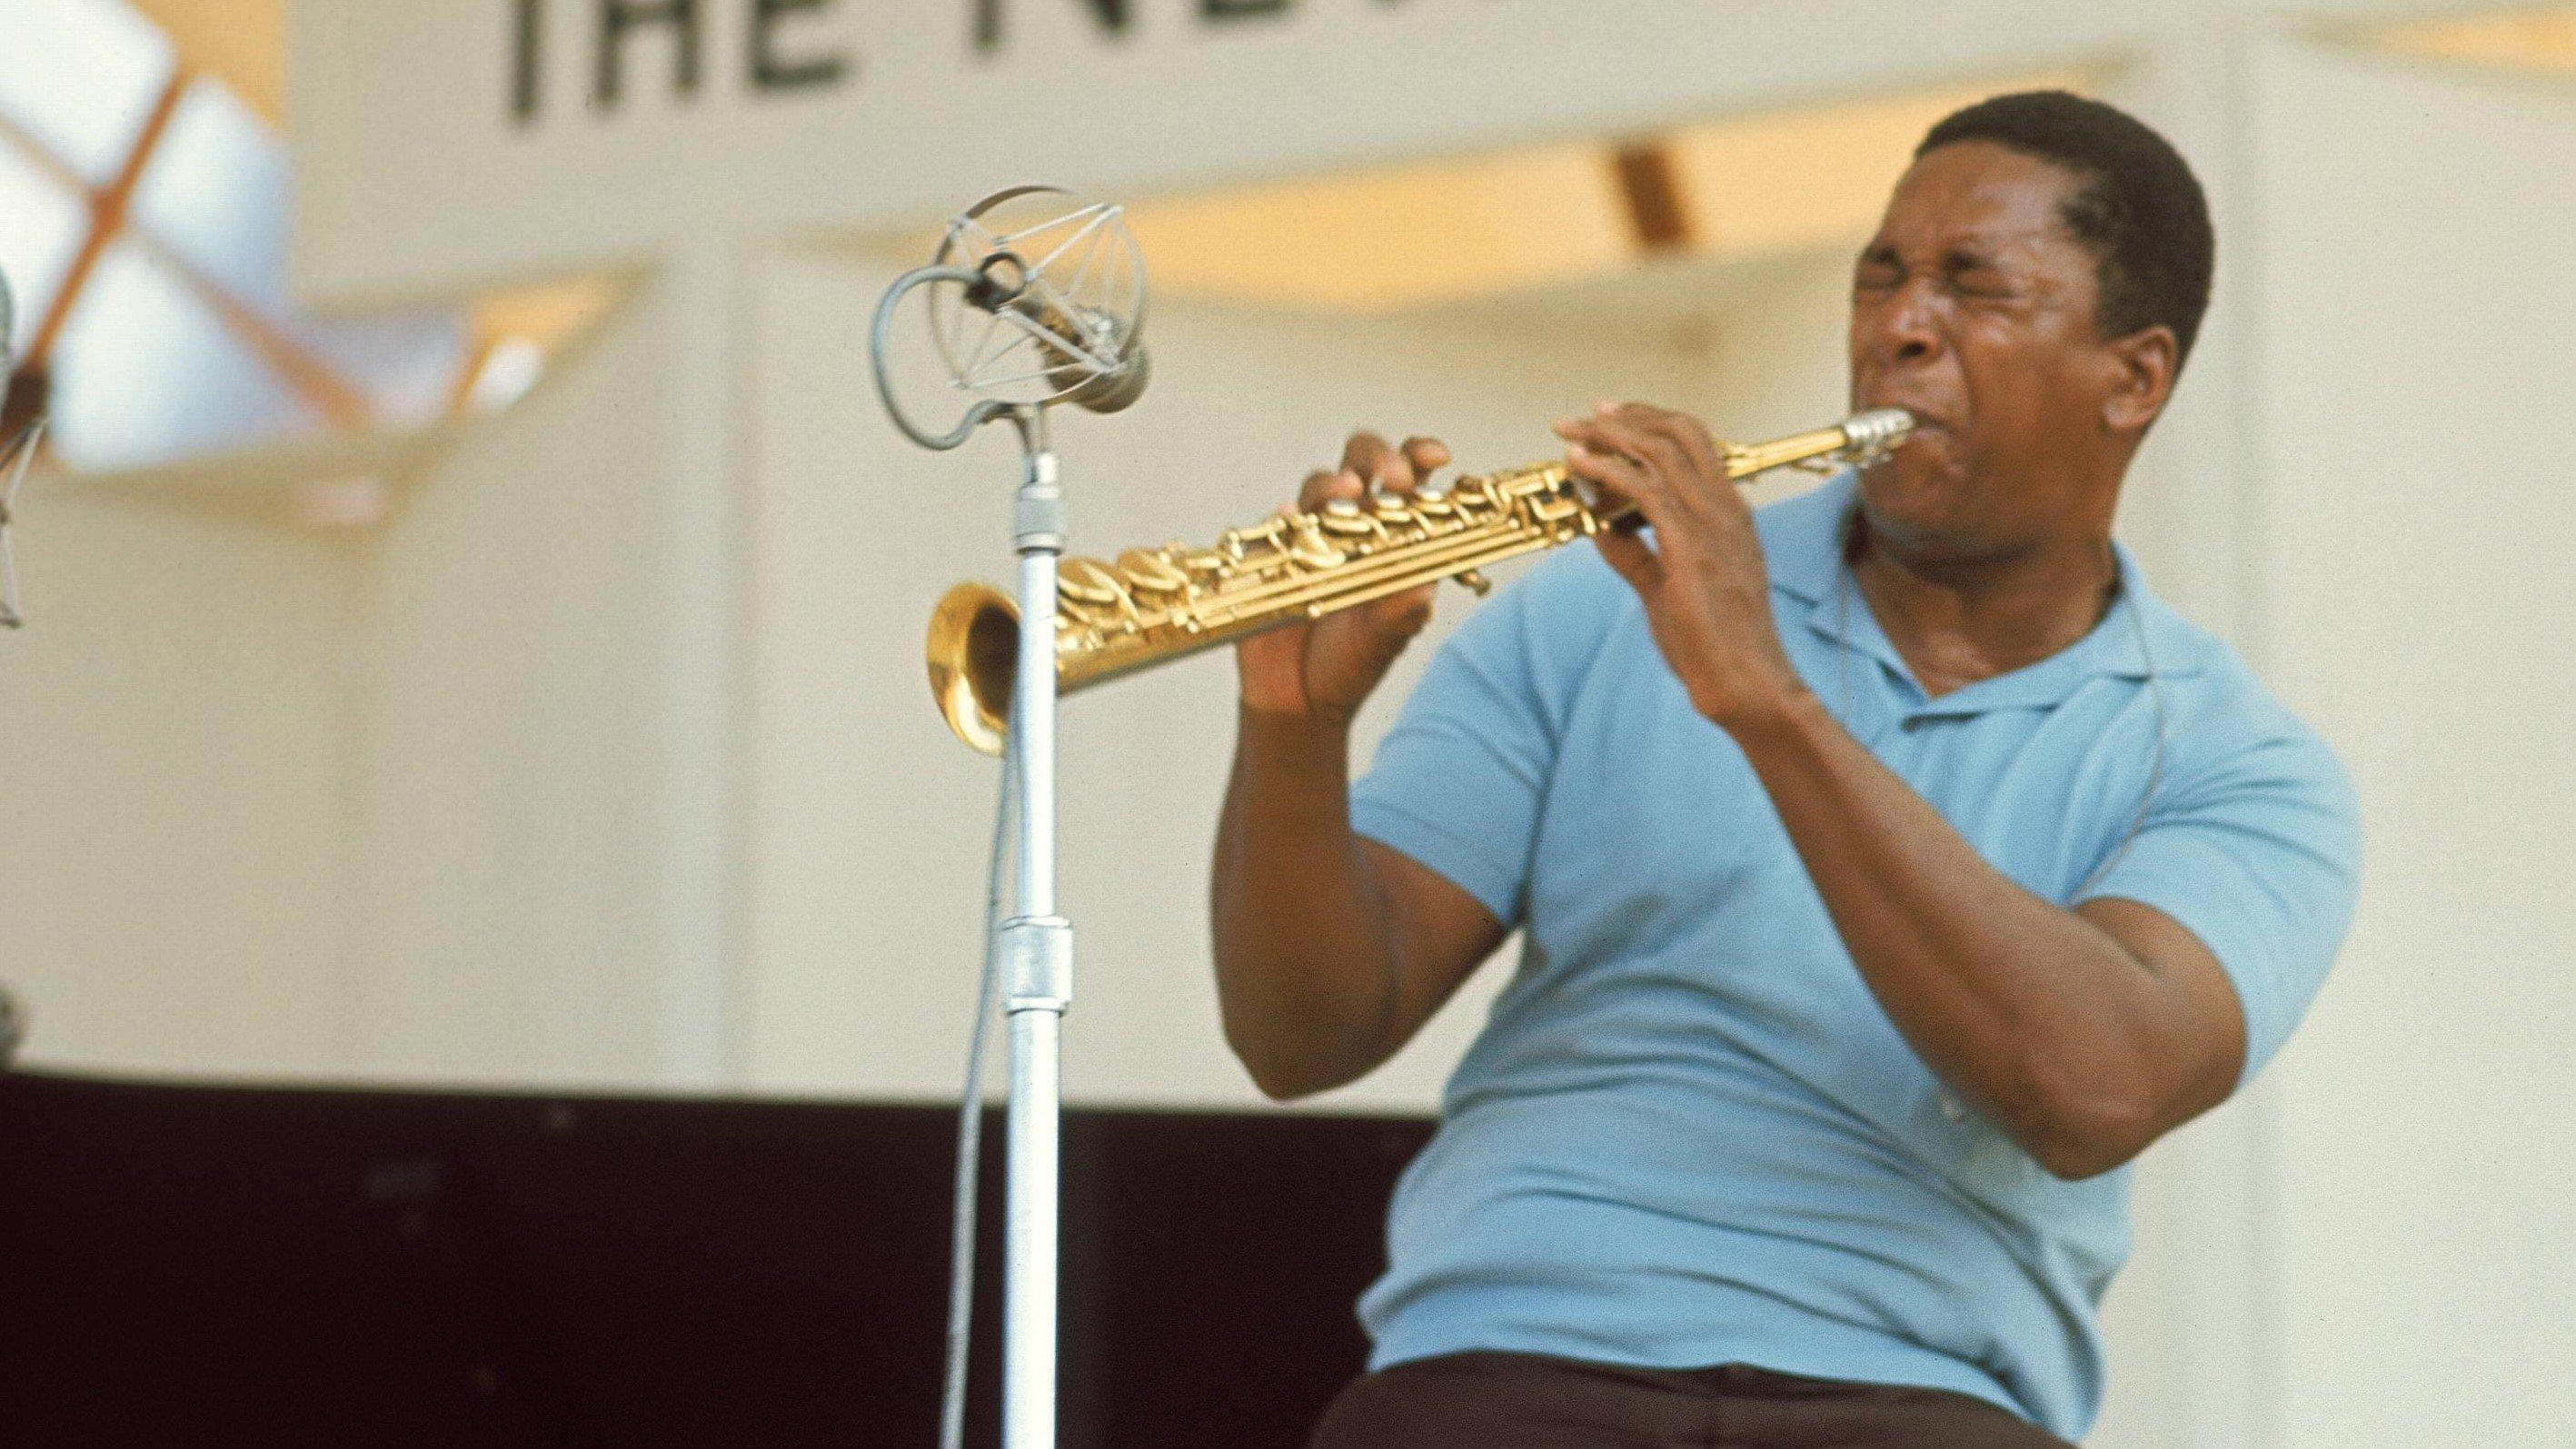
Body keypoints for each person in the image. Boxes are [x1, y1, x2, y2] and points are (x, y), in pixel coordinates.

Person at [1208, 91, 2360, 1448]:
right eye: (1883, 276)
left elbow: (2092, 1090)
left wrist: (1764, 695)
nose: (1899, 326)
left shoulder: (2246, 768)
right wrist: (1293, 729)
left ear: (2135, 377)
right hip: (1508, 1369)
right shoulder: (1584, 614)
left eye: (1972, 286)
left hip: (1920, 1403)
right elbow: (1302, 1038)